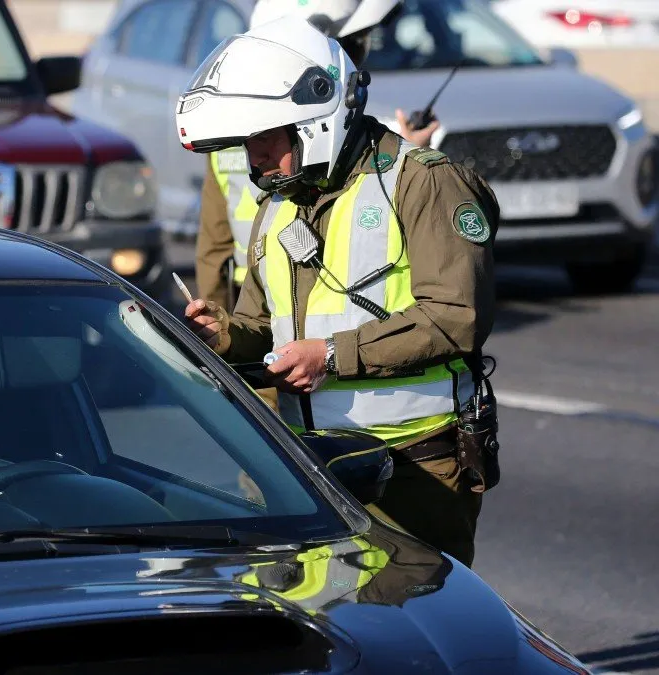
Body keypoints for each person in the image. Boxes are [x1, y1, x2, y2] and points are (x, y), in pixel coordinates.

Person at [177, 17, 499, 568]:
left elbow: (456, 315)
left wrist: (329, 355)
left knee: (414, 630)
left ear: (314, 124)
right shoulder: (277, 202)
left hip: (414, 466)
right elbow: (262, 323)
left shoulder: (420, 181)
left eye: (263, 138)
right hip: (310, 467)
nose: (250, 156)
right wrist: (224, 334)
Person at [195, 0, 440, 318]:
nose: (256, 155)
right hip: (269, 300)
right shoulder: (327, 141)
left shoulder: (229, 132)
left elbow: (212, 249)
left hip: (263, 299)